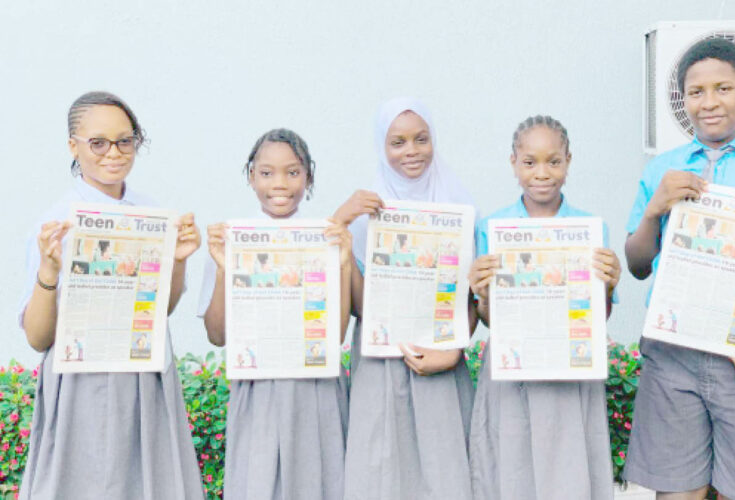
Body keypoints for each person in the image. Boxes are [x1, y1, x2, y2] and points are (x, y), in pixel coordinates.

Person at [623, 37, 735, 500]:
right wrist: (653, 211)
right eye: (696, 92)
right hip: (671, 349)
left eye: (723, 88)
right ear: (683, 100)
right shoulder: (663, 170)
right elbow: (638, 265)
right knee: (677, 492)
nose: (709, 103)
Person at [17, 91, 204, 500]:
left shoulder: (151, 212)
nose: (113, 153)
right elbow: (37, 337)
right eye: (98, 142)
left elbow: (161, 310)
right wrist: (48, 273)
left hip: (145, 376)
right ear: (73, 145)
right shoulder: (56, 222)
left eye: (125, 140)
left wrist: (179, 261)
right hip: (81, 384)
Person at [468, 115, 620, 500]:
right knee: (512, 466)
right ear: (513, 163)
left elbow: (598, 316)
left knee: (570, 470)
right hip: (513, 367)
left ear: (569, 161)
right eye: (530, 162)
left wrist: (609, 283)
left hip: (570, 367)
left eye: (554, 161)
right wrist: (483, 293)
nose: (542, 173)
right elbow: (488, 318)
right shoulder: (493, 227)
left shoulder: (590, 228)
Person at [198, 128, 352, 500]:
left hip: (316, 389)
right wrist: (223, 269)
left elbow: (337, 333)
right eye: (266, 173)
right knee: (257, 484)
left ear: (308, 176)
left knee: (321, 483)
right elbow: (217, 335)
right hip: (258, 388)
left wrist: (344, 266)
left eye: (293, 172)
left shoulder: (327, 239)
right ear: (251, 176)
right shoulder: (230, 240)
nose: (279, 184)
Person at [334, 98, 475, 499]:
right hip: (379, 366)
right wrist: (342, 221)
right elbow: (361, 305)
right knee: (379, 475)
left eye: (421, 139)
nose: (411, 151)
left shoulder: (459, 205)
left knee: (443, 470)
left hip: (438, 360)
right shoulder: (367, 209)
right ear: (382, 146)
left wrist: (454, 351)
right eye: (397, 142)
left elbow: (469, 298)